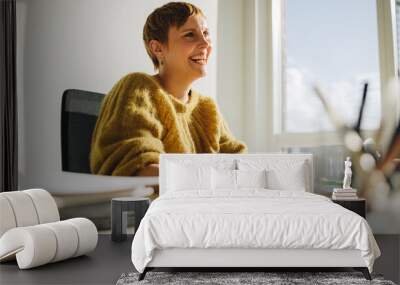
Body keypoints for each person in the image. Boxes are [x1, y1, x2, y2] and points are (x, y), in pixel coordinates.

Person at [90, 2, 247, 197]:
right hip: (159, 218)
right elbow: (138, 169)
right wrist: (214, 181)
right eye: (190, 35)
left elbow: (242, 166)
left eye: (206, 33)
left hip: (205, 215)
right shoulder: (139, 88)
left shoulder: (208, 109)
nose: (205, 44)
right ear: (158, 49)